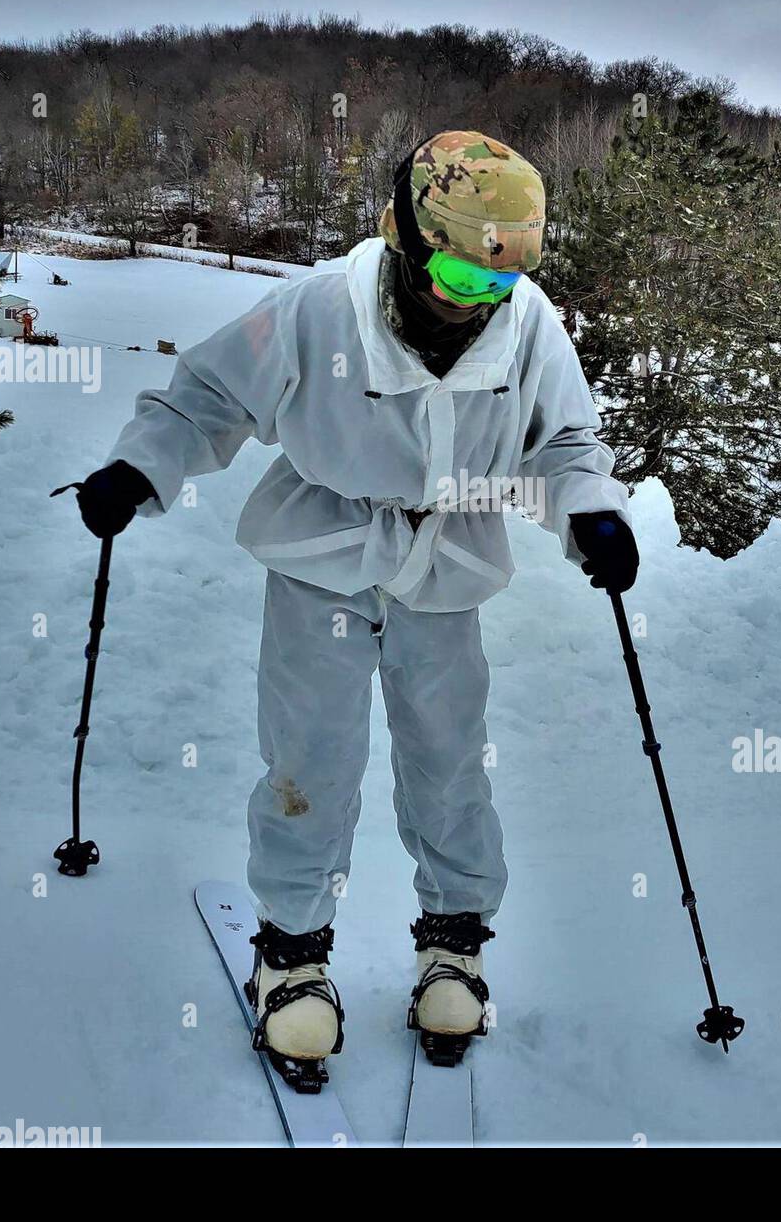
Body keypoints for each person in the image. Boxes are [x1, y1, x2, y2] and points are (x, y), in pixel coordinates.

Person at [75, 130, 638, 1086]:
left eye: (499, 282)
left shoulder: (527, 323)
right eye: (462, 276)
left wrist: (594, 517)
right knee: (310, 760)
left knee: (450, 757)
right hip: (323, 557)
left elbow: (565, 446)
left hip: (448, 562)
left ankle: (454, 945)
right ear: (410, 239)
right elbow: (207, 398)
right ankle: (291, 958)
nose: (480, 300)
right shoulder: (316, 311)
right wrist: (140, 467)